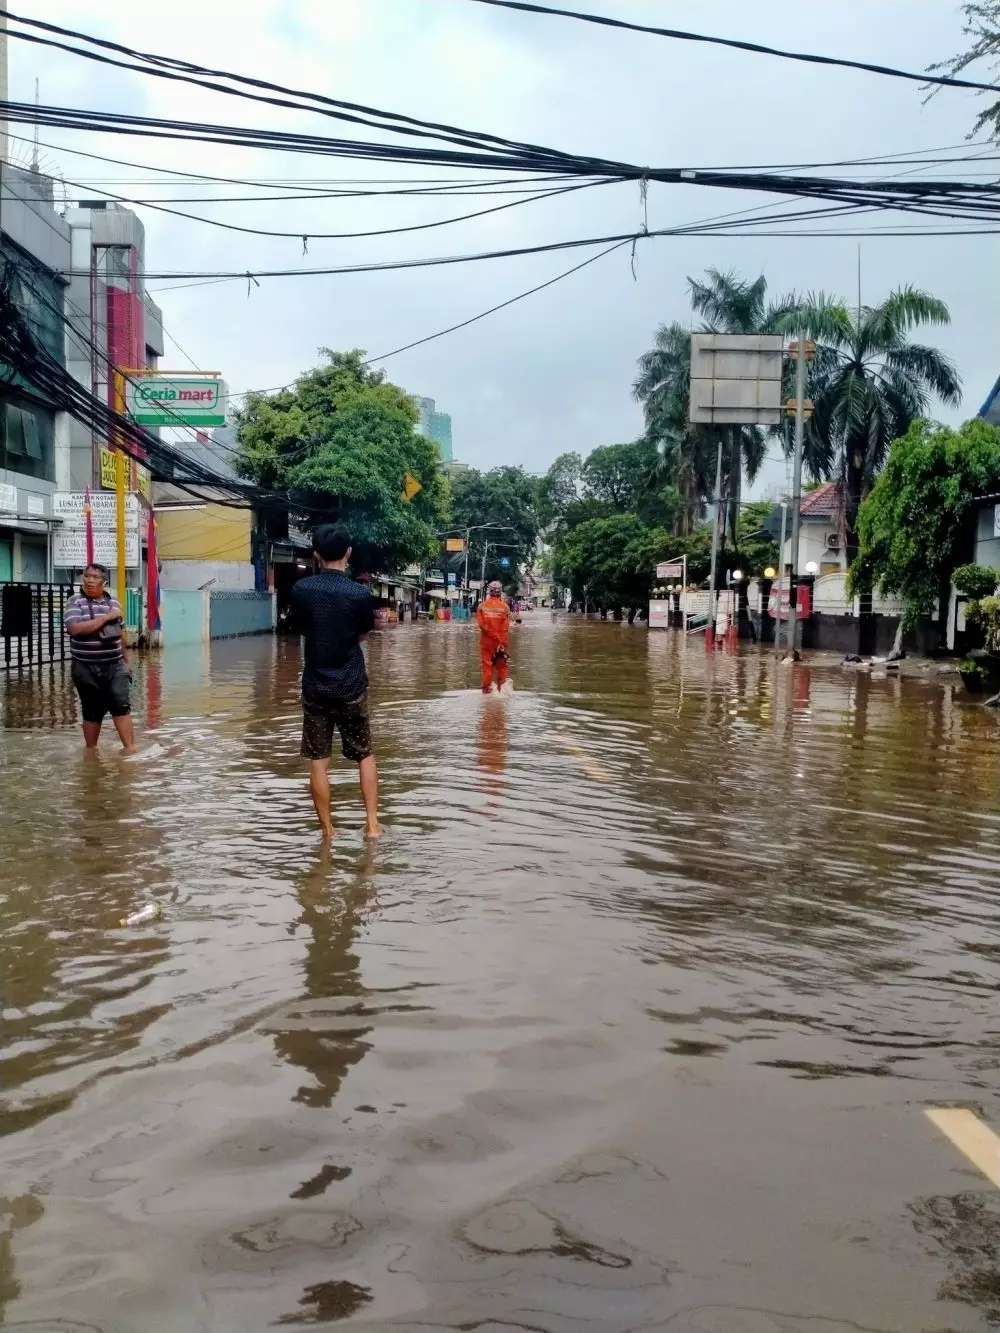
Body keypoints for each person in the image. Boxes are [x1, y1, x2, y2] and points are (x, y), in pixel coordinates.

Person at [291, 523, 381, 840]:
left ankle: (328, 833)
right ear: (348, 553)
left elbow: (300, 629)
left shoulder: (302, 590)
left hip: (316, 686)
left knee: (318, 761)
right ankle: (372, 826)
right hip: (352, 686)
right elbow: (363, 634)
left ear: (316, 555)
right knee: (365, 754)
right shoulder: (360, 594)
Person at [64, 563, 136, 753]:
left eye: (95, 577)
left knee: (121, 705)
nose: (90, 580)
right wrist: (105, 618)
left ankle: (130, 751)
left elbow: (120, 635)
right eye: (87, 576)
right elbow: (75, 629)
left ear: (104, 581)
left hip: (115, 665)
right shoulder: (75, 602)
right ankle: (91, 753)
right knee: (91, 710)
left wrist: (126, 663)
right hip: (85, 667)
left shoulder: (114, 604)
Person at [476, 579, 512, 694]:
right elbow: (505, 628)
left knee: (487, 667)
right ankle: (502, 692)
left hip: (486, 642)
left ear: (489, 591)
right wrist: (500, 642)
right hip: (500, 643)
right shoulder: (505, 607)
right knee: (501, 667)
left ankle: (486, 692)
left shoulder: (481, 607)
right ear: (500, 592)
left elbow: (482, 625)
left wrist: (492, 635)